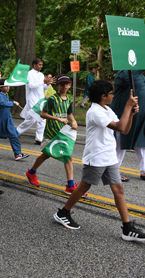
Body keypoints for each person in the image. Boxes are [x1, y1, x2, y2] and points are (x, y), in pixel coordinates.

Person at [53, 80, 145, 242]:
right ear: (103, 96)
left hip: (109, 157)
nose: (113, 95)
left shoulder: (107, 109)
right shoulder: (94, 112)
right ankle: (63, 213)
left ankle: (127, 228)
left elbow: (125, 128)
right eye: (111, 93)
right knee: (83, 187)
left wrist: (130, 114)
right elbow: (120, 127)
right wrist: (127, 107)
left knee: (119, 190)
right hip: (96, 157)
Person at [25, 75, 80, 193]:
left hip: (63, 133)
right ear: (57, 85)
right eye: (62, 84)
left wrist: (73, 121)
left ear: (70, 85)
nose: (64, 86)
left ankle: (70, 185)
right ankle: (31, 173)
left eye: (67, 84)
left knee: (68, 156)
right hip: (51, 132)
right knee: (46, 154)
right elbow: (43, 114)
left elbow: (69, 113)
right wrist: (58, 119)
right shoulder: (52, 99)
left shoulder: (69, 100)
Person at [111, 70, 145, 182]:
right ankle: (113, 171)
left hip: (139, 114)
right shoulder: (126, 73)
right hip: (124, 113)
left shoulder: (140, 75)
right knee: (121, 141)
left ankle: (144, 170)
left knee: (140, 141)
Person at [16, 58, 55, 144]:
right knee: (37, 118)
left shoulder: (41, 75)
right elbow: (31, 86)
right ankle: (19, 133)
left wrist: (48, 83)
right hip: (32, 99)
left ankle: (37, 138)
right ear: (34, 65)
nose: (41, 66)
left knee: (35, 118)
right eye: (39, 64)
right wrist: (43, 82)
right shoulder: (29, 74)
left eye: (42, 65)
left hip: (40, 99)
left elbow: (44, 87)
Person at [0, 79, 30, 161]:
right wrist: (13, 103)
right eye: (6, 86)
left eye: (8, 86)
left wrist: (12, 102)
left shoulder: (6, 96)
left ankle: (18, 154)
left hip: (8, 120)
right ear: (0, 87)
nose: (8, 87)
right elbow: (2, 103)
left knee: (14, 135)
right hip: (0, 121)